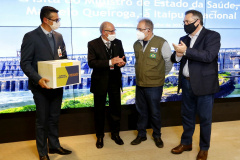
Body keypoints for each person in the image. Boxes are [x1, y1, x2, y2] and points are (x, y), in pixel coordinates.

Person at [20, 6, 72, 160]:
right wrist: (38, 79)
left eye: (58, 19)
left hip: (57, 85)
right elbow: (25, 63)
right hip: (41, 87)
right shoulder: (31, 37)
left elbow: (63, 58)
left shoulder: (59, 36)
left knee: (54, 118)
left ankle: (54, 146)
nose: (58, 22)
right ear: (45, 20)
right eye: (56, 20)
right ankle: (43, 152)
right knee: (42, 121)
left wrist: (68, 70)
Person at [170, 10, 221, 160]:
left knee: (205, 118)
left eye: (187, 22)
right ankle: (186, 143)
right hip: (186, 84)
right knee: (187, 116)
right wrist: (178, 54)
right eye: (184, 22)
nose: (184, 25)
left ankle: (204, 148)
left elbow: (208, 56)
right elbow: (176, 58)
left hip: (204, 85)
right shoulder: (183, 38)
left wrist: (186, 51)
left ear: (197, 21)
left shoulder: (212, 36)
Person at [131, 18, 173, 148]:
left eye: (140, 29)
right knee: (141, 111)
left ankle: (157, 135)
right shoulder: (136, 44)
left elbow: (169, 61)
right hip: (140, 84)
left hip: (154, 85)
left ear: (148, 30)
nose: (138, 31)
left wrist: (160, 75)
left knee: (154, 111)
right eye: (137, 29)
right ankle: (141, 134)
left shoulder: (161, 42)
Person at [87, 21, 126, 149]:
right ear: (104, 32)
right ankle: (100, 136)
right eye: (112, 31)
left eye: (114, 31)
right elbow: (92, 63)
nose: (114, 33)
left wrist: (122, 62)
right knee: (99, 111)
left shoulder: (118, 42)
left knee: (116, 109)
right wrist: (110, 61)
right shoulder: (93, 44)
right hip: (100, 81)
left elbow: (122, 58)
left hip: (115, 80)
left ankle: (115, 134)